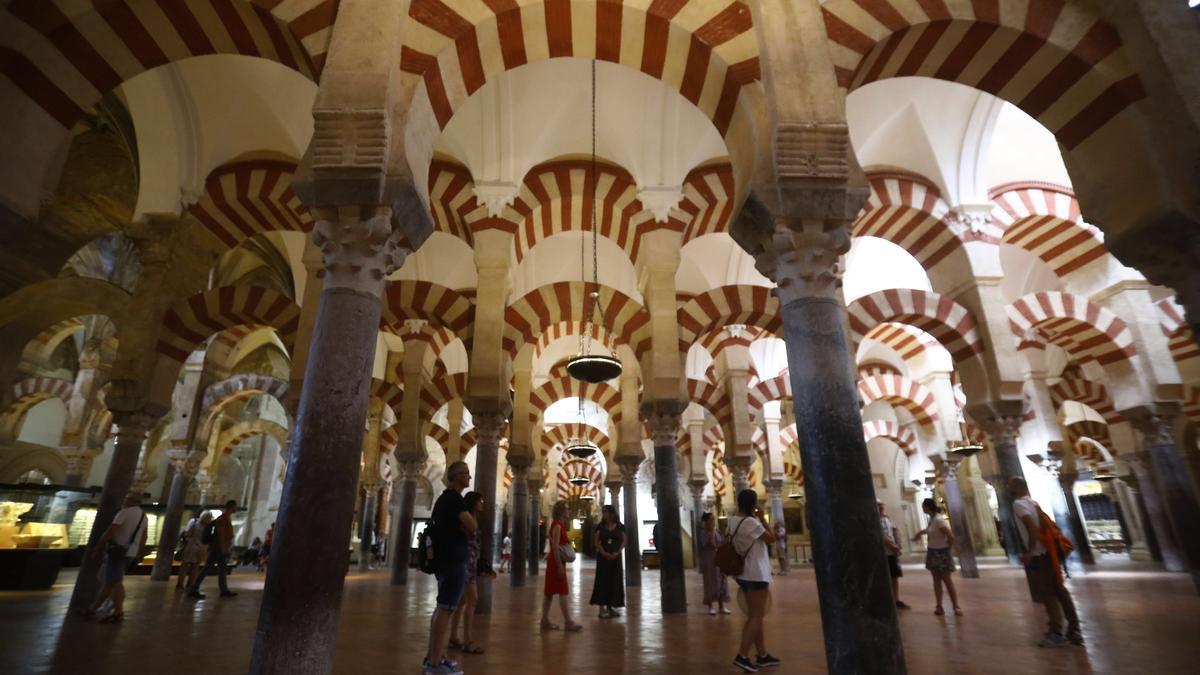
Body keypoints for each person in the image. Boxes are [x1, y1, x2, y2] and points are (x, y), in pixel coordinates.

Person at [1010, 477, 1083, 648]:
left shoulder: (1018, 505)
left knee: (1047, 592)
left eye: (1009, 487)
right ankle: (1074, 629)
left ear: (1014, 489)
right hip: (1050, 550)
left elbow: (1031, 527)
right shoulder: (1033, 502)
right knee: (1059, 589)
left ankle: (1056, 632)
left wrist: (1029, 551)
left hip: (1041, 553)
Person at [424, 461, 476, 675]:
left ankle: (433, 657)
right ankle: (435, 664)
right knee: (446, 608)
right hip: (453, 561)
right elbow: (472, 526)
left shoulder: (445, 499)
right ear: (455, 476)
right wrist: (467, 527)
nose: (469, 478)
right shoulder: (454, 499)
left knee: (442, 607)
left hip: (445, 560)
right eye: (465, 474)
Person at [728, 489, 781, 672]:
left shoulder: (733, 521)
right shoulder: (751, 523)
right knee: (756, 617)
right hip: (756, 574)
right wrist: (763, 518)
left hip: (743, 574)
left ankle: (762, 655)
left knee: (755, 616)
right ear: (753, 504)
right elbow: (772, 539)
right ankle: (742, 656)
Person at [79, 492, 147, 623]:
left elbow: (110, 531)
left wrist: (98, 547)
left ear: (130, 500)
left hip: (118, 552)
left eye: (126, 499)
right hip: (130, 553)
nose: (124, 501)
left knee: (116, 582)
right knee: (110, 583)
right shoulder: (144, 516)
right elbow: (144, 537)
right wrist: (139, 553)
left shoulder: (124, 512)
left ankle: (118, 612)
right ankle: (92, 609)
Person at [449, 492, 494, 656]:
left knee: (461, 602)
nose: (482, 503)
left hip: (471, 562)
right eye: (480, 501)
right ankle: (467, 641)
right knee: (472, 600)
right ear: (474, 503)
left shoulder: (472, 517)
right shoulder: (467, 517)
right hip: (466, 563)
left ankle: (453, 636)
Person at [912, 498, 961, 617]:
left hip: (941, 553)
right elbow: (930, 531)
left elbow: (950, 536)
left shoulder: (939, 520)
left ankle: (956, 606)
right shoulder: (932, 519)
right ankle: (939, 606)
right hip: (933, 552)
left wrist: (946, 550)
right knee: (936, 580)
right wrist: (919, 533)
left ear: (928, 507)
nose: (923, 508)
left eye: (923, 506)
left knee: (947, 581)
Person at [540, 500, 582, 632]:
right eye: (567, 508)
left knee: (549, 592)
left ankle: (544, 620)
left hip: (555, 561)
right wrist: (558, 566)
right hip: (556, 563)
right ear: (562, 511)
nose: (569, 510)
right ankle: (568, 622)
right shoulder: (557, 525)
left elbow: (553, 545)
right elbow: (556, 546)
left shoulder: (557, 525)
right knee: (563, 590)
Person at [189, 500, 238, 600]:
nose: (235, 509)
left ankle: (224, 590)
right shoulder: (222, 519)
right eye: (235, 507)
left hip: (222, 548)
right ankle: (193, 589)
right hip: (218, 548)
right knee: (207, 568)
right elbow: (220, 534)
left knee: (223, 570)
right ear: (231, 507)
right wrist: (223, 548)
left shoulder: (226, 518)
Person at [589, 504, 626, 618]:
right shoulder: (600, 526)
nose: (603, 514)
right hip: (603, 559)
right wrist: (604, 553)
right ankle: (601, 609)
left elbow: (624, 540)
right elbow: (596, 541)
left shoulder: (620, 526)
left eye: (605, 511)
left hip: (615, 559)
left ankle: (610, 607)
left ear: (611, 513)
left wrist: (617, 552)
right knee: (602, 581)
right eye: (603, 511)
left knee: (614, 581)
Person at [878, 500, 910, 610]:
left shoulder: (887, 518)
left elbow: (895, 530)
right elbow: (882, 536)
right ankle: (887, 600)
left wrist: (898, 544)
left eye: (882, 505)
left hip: (892, 552)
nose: (881, 508)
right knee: (885, 577)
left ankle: (896, 600)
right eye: (879, 506)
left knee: (894, 576)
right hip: (884, 553)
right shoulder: (875, 519)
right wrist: (893, 546)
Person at [698, 512, 731, 615]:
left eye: (713, 519)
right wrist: (711, 531)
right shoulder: (704, 533)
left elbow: (720, 543)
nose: (713, 521)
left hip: (718, 558)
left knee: (721, 580)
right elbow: (711, 544)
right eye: (711, 520)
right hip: (709, 559)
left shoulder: (717, 531)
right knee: (710, 581)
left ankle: (721, 606)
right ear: (706, 521)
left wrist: (726, 536)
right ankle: (710, 606)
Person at [177, 511, 212, 591]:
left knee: (184, 567)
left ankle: (180, 584)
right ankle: (190, 584)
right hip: (201, 548)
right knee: (195, 568)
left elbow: (188, 534)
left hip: (191, 546)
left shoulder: (195, 523)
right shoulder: (208, 528)